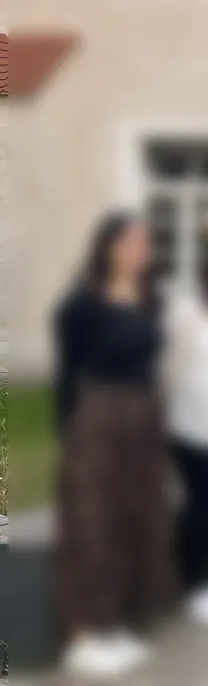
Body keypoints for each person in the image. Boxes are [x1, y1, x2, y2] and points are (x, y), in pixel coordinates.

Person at [54, 214, 172, 676]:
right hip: (97, 414)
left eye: (145, 242)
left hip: (144, 416)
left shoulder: (151, 300)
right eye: (129, 241)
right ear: (107, 247)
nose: (139, 250)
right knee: (93, 521)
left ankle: (117, 621)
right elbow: (67, 372)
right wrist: (72, 433)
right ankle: (85, 632)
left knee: (137, 517)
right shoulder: (82, 303)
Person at [166, 256, 208, 629]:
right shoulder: (186, 315)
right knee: (199, 508)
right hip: (193, 430)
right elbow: (170, 371)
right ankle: (194, 584)